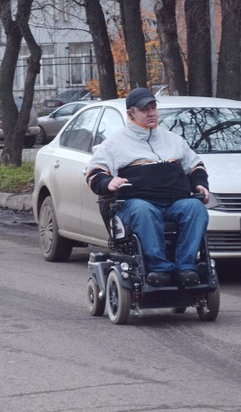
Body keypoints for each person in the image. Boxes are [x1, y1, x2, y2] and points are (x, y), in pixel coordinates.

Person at [85, 87, 209, 288]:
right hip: (136, 203)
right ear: (130, 113)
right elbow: (94, 174)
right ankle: (158, 269)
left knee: (195, 208)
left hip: (174, 202)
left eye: (153, 108)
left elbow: (195, 166)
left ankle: (186, 267)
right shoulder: (114, 144)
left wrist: (200, 184)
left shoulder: (173, 140)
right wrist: (109, 182)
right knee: (144, 210)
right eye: (145, 110)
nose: (151, 113)